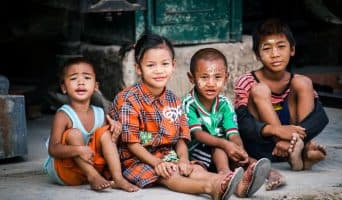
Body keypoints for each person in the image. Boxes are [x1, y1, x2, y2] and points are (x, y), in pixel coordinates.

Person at [109, 33, 245, 200]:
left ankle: (238, 186)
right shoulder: (129, 99)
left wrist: (183, 159)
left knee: (195, 170)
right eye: (151, 65)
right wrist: (157, 163)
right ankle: (211, 188)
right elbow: (132, 143)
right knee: (171, 176)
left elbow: (181, 137)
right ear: (139, 68)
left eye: (165, 64)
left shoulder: (173, 100)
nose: (159, 70)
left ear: (173, 65)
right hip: (136, 160)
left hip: (166, 155)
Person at [234, 18, 328, 175]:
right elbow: (242, 122)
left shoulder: (297, 82)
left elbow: (320, 117)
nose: (275, 54)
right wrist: (277, 132)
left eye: (281, 46)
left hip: (294, 144)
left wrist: (297, 139)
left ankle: (300, 149)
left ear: (292, 50)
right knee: (260, 90)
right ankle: (299, 151)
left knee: (303, 82)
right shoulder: (247, 81)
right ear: (257, 55)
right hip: (263, 146)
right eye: (267, 49)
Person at [182, 47, 272, 197]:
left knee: (236, 152)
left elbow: (233, 133)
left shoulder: (225, 103)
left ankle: (248, 178)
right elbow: (197, 134)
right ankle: (226, 175)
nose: (211, 83)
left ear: (226, 77)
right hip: (196, 153)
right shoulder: (189, 103)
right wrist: (226, 145)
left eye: (217, 77)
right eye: (204, 77)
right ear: (192, 78)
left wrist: (239, 148)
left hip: (221, 151)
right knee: (221, 145)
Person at [43, 57, 139, 192]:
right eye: (73, 78)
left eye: (87, 78)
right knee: (74, 133)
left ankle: (118, 178)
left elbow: (109, 144)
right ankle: (93, 176)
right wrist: (78, 150)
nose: (81, 82)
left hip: (94, 166)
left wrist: (115, 127)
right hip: (66, 171)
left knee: (106, 133)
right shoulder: (63, 115)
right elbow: (53, 149)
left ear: (96, 86)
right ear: (64, 87)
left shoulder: (100, 113)